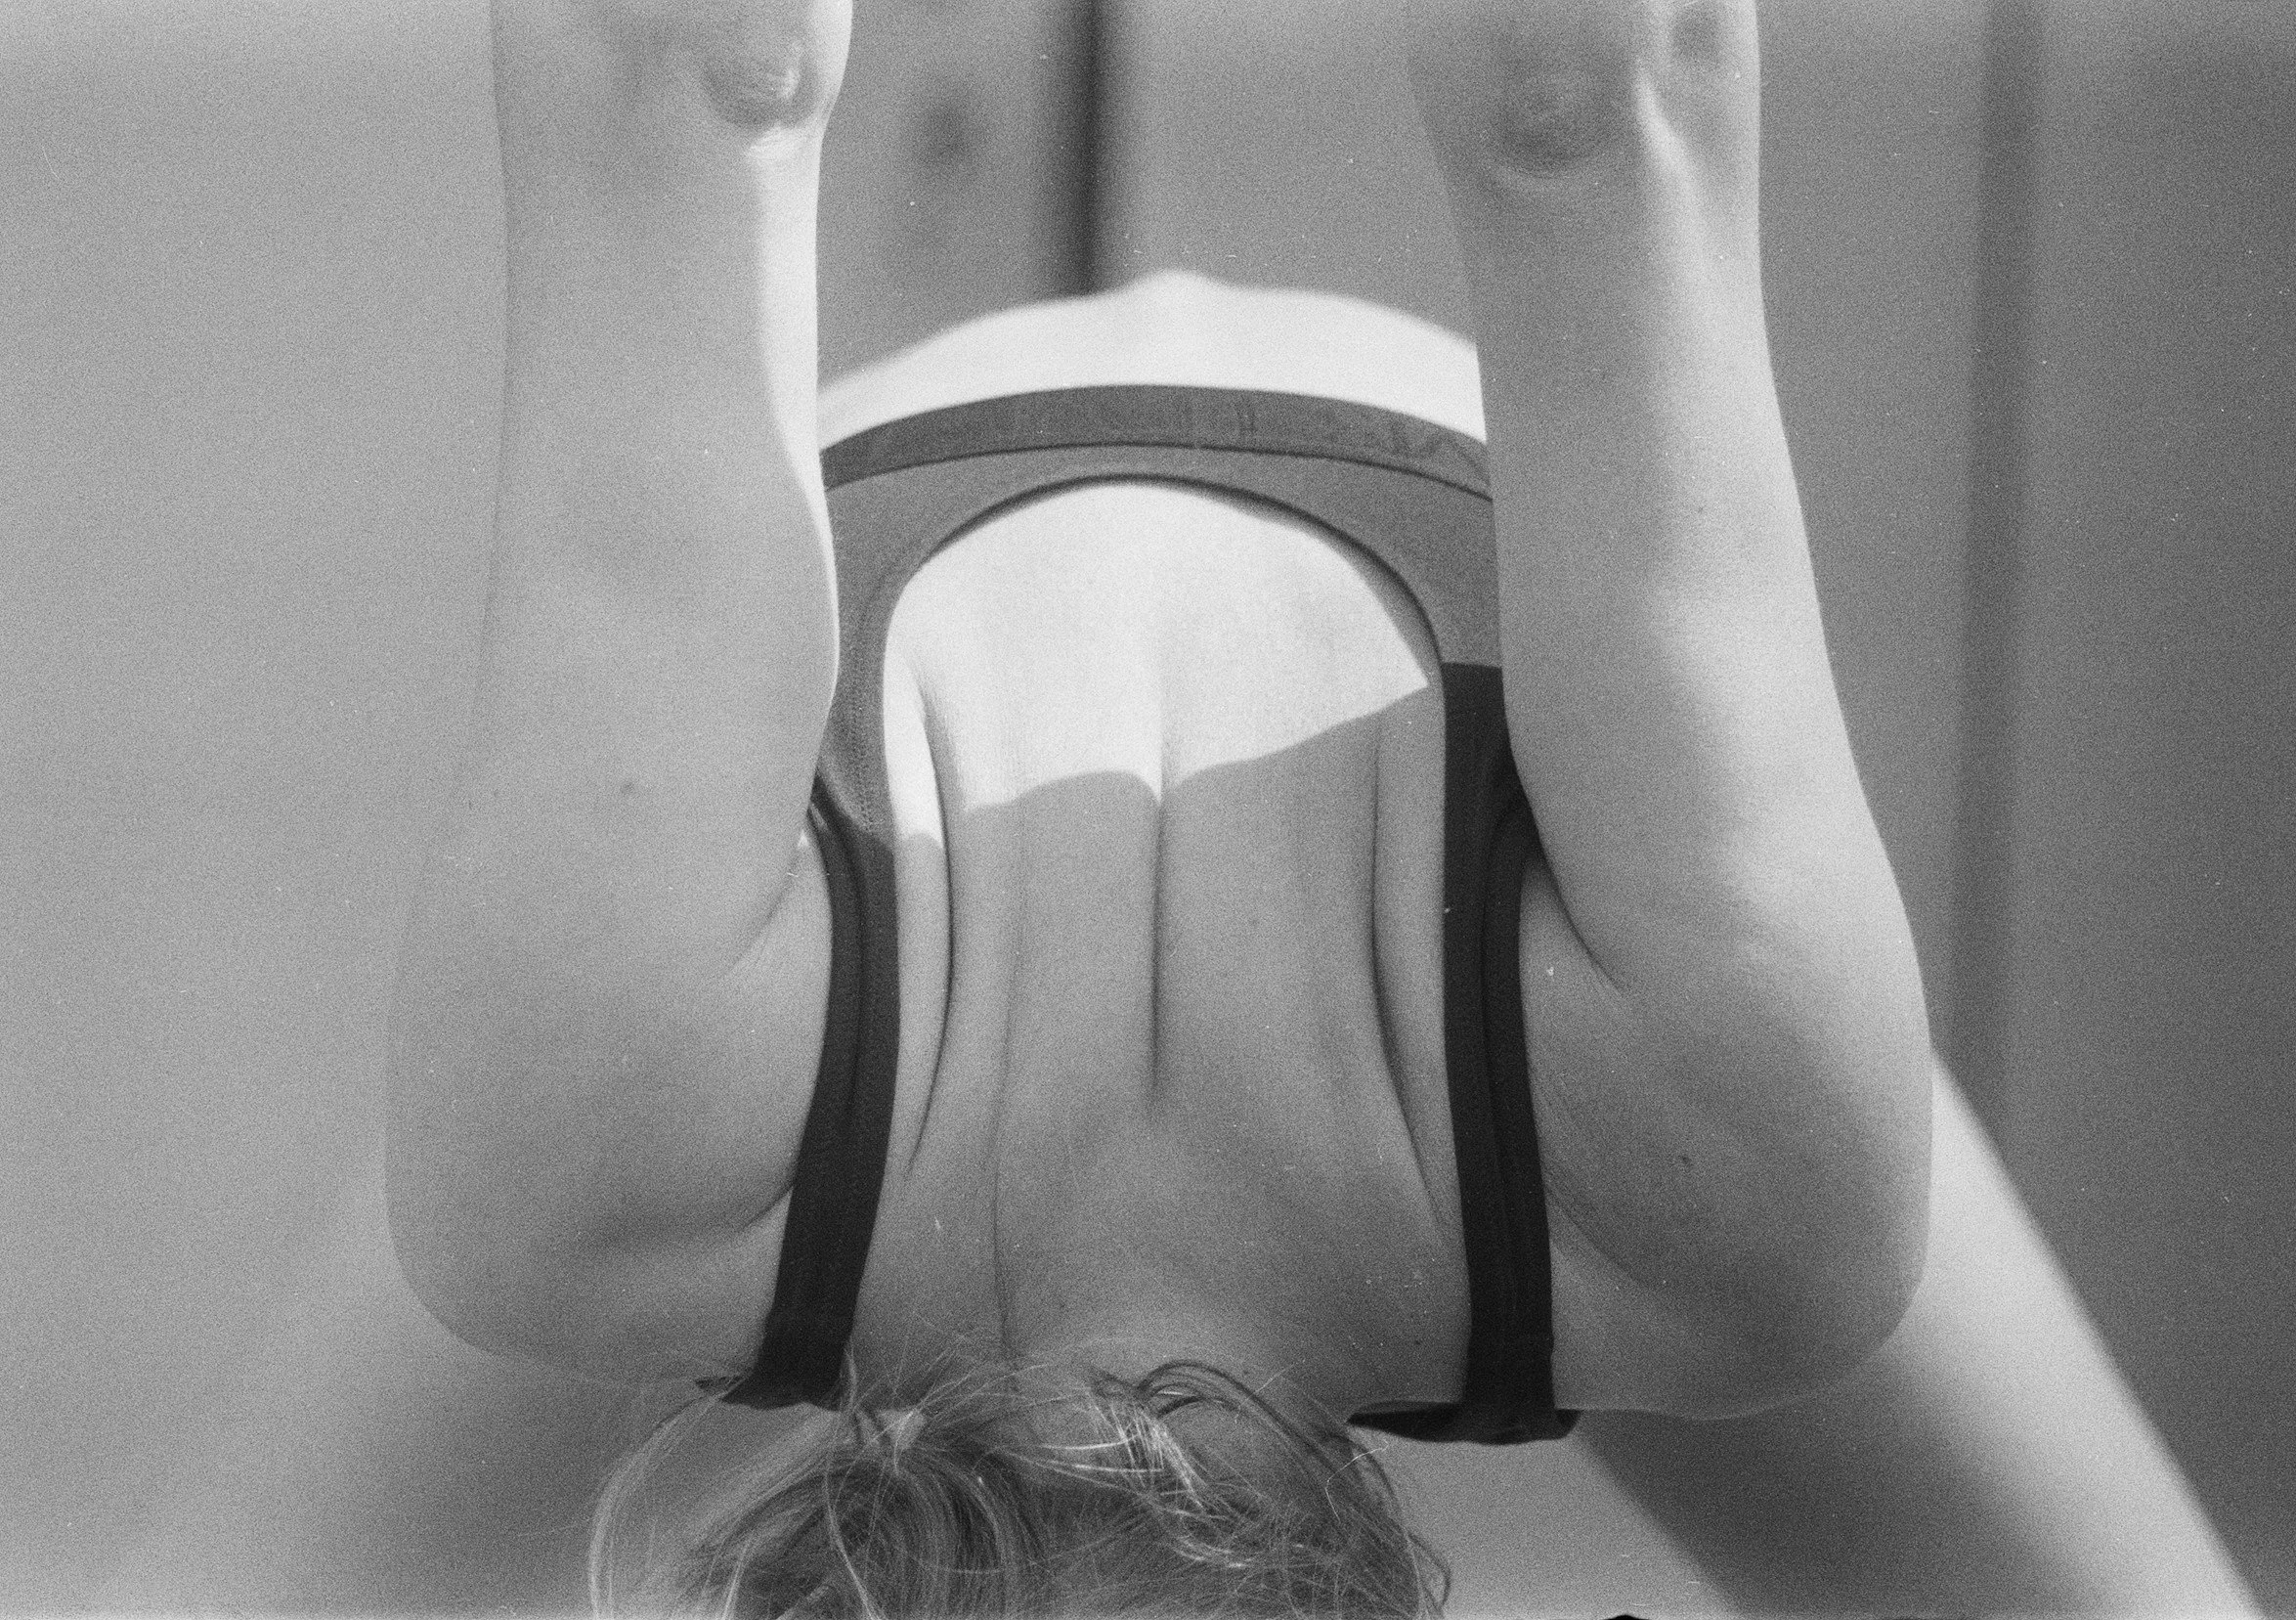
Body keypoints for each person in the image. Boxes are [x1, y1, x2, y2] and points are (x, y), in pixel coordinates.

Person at [385, 0, 1937, 1611]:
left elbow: (1597, 116)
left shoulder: (600, 1164)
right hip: (1520, 1040)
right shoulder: (1734, 1204)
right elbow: (687, 90)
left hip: (823, 1034)